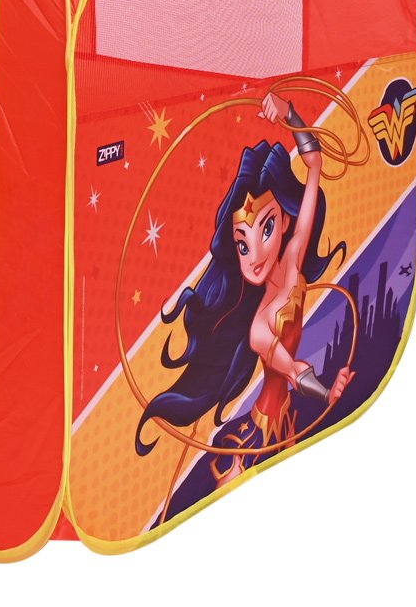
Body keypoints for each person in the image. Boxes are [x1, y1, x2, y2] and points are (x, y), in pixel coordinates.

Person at [135, 90, 354, 484]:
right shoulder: (258, 326)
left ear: (284, 223)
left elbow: (315, 164)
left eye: (266, 229)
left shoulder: (293, 256)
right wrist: (327, 394)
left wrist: (290, 113)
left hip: (287, 423)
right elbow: (293, 370)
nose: (254, 255)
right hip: (259, 435)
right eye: (242, 245)